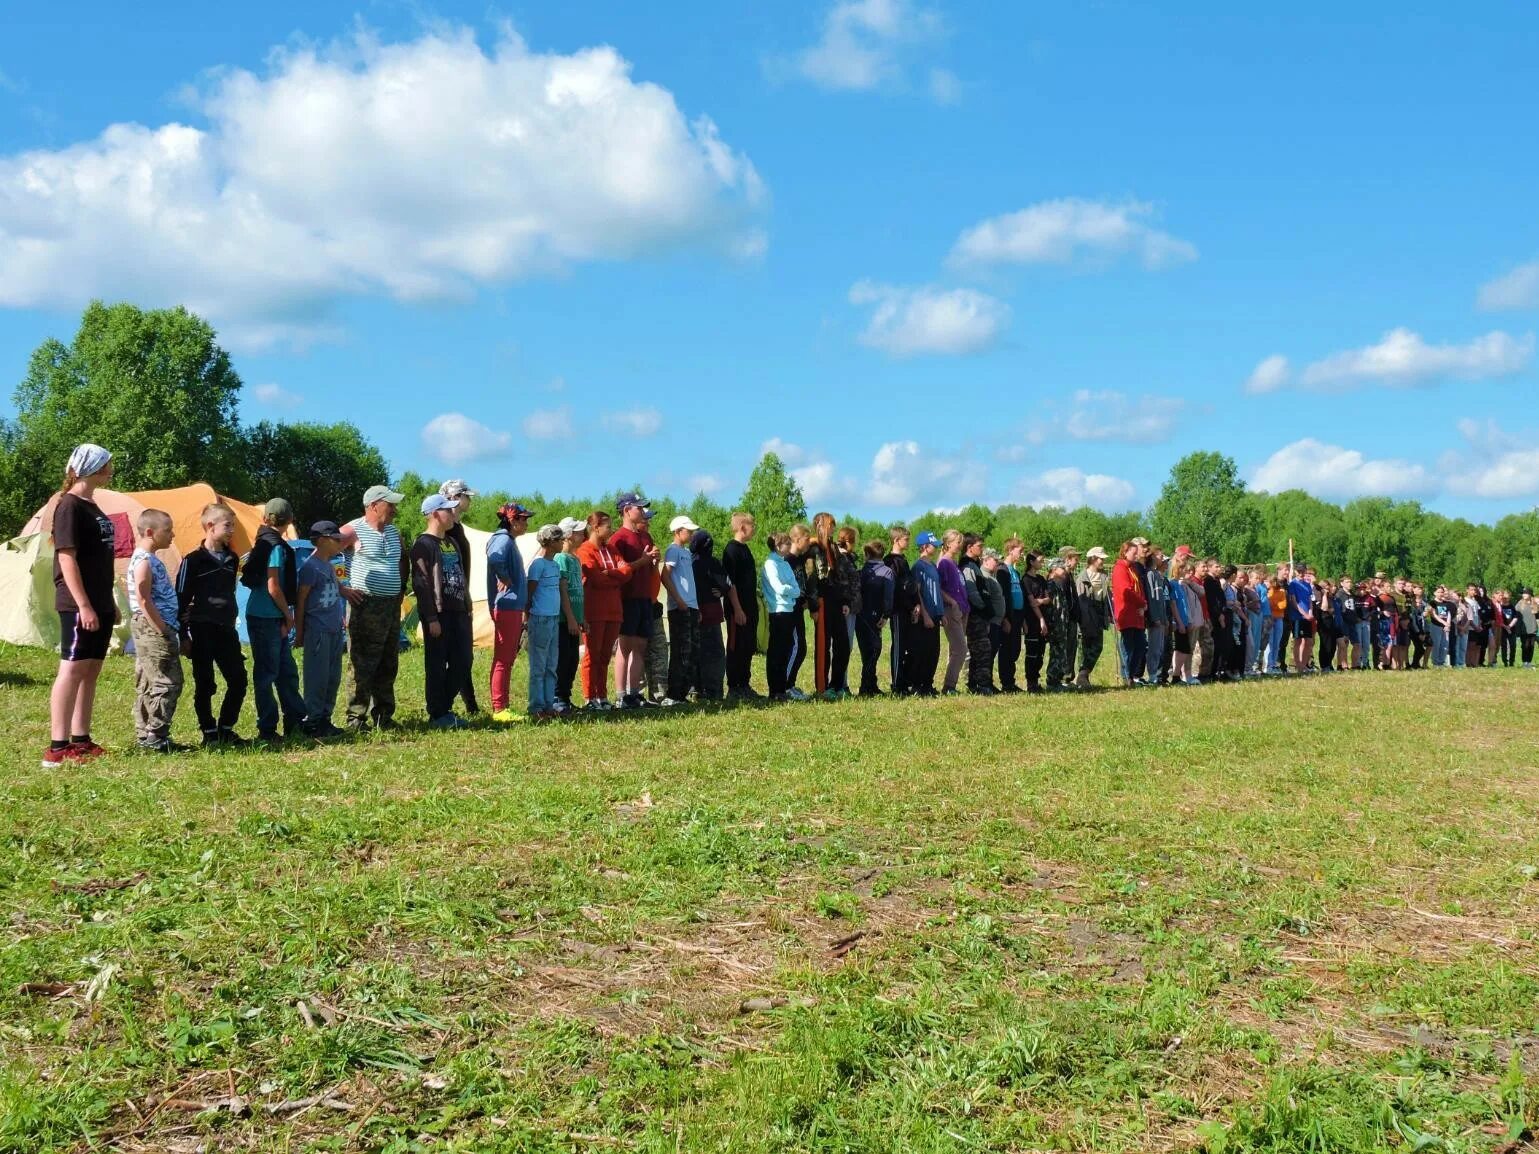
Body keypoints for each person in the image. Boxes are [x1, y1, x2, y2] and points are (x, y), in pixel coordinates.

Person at [44, 445, 119, 767]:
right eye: (107, 464)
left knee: (91, 670)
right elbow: (66, 558)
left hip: (99, 601)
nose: (111, 468)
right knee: (72, 669)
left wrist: (108, 602)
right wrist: (84, 605)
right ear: (94, 467)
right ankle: (57, 747)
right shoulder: (69, 506)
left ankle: (81, 739)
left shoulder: (93, 505)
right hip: (77, 604)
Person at [177, 502, 249, 747]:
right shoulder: (193, 560)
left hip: (226, 629)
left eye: (234, 526)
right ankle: (208, 732)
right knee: (205, 683)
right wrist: (183, 635)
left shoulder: (232, 558)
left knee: (238, 680)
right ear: (210, 526)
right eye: (228, 525)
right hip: (202, 628)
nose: (232, 531)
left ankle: (226, 729)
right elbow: (181, 598)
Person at [339, 485, 408, 732]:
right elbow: (322, 555)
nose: (394, 510)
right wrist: (342, 588)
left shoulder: (393, 532)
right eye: (390, 504)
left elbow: (401, 560)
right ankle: (356, 719)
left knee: (388, 662)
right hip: (365, 605)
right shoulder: (352, 530)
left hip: (390, 606)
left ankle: (384, 716)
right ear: (373, 505)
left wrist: (400, 589)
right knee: (362, 663)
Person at [244, 498, 306, 742]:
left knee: (284, 670)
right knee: (269, 673)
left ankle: (294, 721)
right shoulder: (276, 547)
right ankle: (268, 729)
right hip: (266, 616)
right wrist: (288, 616)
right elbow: (273, 586)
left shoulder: (261, 540)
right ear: (289, 520)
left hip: (262, 614)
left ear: (264, 518)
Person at [411, 493, 471, 729]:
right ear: (435, 514)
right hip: (439, 613)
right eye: (448, 510)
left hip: (458, 610)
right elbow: (421, 584)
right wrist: (431, 617)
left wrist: (467, 604)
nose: (453, 514)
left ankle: (443, 706)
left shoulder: (451, 542)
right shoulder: (422, 545)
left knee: (464, 660)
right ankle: (438, 713)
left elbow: (461, 575)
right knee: (436, 664)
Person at [127, 509, 185, 752]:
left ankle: (146, 733)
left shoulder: (146, 558)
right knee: (168, 681)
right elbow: (143, 596)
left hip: (149, 625)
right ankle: (156, 734)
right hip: (153, 627)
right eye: (168, 530)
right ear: (150, 532)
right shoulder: (144, 561)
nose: (172, 535)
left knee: (148, 679)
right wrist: (162, 628)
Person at [575, 511, 631, 713]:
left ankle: (602, 695)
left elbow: (627, 572)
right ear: (596, 528)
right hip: (594, 611)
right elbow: (595, 578)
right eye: (608, 526)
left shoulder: (612, 549)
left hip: (614, 611)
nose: (611, 530)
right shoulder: (585, 550)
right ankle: (590, 696)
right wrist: (614, 577)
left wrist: (612, 574)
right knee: (593, 654)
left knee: (606, 655)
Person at [295, 521, 348, 738]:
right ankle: (313, 720)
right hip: (318, 631)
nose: (339, 542)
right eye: (335, 539)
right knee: (317, 677)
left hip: (334, 629)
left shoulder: (328, 565)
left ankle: (325, 718)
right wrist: (299, 632)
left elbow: (335, 594)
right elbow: (301, 602)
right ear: (322, 540)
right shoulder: (310, 566)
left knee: (332, 677)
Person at [609, 493, 660, 709]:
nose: (642, 511)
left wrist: (653, 560)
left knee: (640, 645)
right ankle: (621, 694)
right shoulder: (618, 538)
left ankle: (634, 693)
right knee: (625, 645)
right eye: (638, 507)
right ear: (627, 510)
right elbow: (619, 571)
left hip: (644, 596)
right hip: (627, 597)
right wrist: (643, 561)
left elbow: (647, 566)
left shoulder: (641, 535)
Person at [485, 501, 532, 721]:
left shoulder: (507, 540)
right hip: (507, 606)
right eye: (523, 519)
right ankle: (500, 707)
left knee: (506, 658)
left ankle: (502, 704)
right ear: (512, 521)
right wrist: (504, 577)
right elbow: (495, 558)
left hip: (511, 606)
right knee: (503, 658)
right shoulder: (502, 539)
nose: (526, 523)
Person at [438, 480, 480, 714]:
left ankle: (469, 703)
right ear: (454, 497)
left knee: (464, 655)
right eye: (466, 495)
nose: (469, 500)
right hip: (447, 602)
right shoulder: (445, 529)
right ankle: (444, 705)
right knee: (455, 655)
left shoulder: (459, 528)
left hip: (461, 597)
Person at [810, 512, 856, 699]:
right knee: (823, 646)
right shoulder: (813, 549)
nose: (833, 528)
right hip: (821, 602)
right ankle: (822, 688)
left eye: (834, 525)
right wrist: (813, 606)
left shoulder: (833, 548)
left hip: (836, 601)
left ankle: (836, 685)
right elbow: (812, 577)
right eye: (830, 525)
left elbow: (840, 574)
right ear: (820, 525)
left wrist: (845, 601)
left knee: (843, 645)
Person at [525, 525, 567, 720]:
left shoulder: (555, 565)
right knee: (539, 665)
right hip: (540, 618)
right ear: (550, 543)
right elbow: (530, 591)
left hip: (553, 618)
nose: (563, 543)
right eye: (559, 540)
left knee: (551, 664)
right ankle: (536, 706)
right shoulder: (538, 565)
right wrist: (526, 615)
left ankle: (549, 704)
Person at [691, 528, 737, 701]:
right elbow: (727, 583)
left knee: (697, 652)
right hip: (710, 612)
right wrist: (722, 591)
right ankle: (714, 690)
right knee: (715, 653)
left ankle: (696, 688)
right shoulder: (711, 563)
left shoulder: (690, 562)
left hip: (693, 611)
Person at [662, 514, 702, 706]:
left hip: (691, 606)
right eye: (689, 530)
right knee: (681, 650)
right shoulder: (673, 551)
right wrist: (678, 600)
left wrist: (695, 606)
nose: (692, 533)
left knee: (693, 650)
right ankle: (673, 694)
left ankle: (682, 692)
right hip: (680, 607)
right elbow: (665, 576)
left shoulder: (685, 552)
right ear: (678, 532)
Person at [762, 532, 803, 701]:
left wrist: (790, 590)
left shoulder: (785, 564)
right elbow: (778, 587)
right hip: (777, 611)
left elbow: (797, 589)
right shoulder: (770, 564)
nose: (789, 545)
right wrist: (790, 591)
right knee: (776, 652)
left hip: (789, 610)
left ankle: (781, 688)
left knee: (786, 650)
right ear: (778, 546)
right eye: (787, 543)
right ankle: (774, 690)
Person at [722, 513, 759, 698]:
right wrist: (737, 609)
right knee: (736, 646)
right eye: (752, 525)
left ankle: (744, 684)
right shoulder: (731, 550)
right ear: (743, 526)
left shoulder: (746, 549)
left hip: (750, 606)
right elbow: (731, 583)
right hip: (738, 608)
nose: (754, 529)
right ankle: (734, 686)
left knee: (748, 646)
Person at [553, 517, 588, 712]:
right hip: (563, 620)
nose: (582, 535)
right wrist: (571, 618)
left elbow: (578, 591)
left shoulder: (575, 559)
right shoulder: (561, 559)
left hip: (574, 619)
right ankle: (557, 697)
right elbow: (563, 590)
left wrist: (582, 618)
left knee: (573, 659)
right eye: (578, 532)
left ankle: (565, 697)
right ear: (567, 535)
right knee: (563, 658)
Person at [907, 532, 943, 696]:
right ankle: (918, 685)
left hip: (935, 614)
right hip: (925, 616)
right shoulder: (918, 567)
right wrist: (925, 614)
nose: (935, 548)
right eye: (932, 545)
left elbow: (937, 591)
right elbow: (918, 593)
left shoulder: (933, 566)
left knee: (933, 652)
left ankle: (928, 684)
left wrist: (941, 614)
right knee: (922, 651)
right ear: (923, 547)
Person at [856, 540, 894, 696]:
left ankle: (870, 685)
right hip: (876, 616)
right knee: (875, 650)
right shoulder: (887, 572)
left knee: (867, 652)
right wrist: (886, 615)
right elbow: (888, 596)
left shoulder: (860, 571)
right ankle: (866, 686)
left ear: (866, 554)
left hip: (859, 616)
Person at [958, 534, 995, 695]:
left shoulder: (974, 564)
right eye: (979, 545)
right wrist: (984, 608)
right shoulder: (967, 566)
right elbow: (972, 592)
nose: (982, 548)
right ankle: (982, 685)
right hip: (975, 616)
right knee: (982, 650)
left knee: (978, 650)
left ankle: (974, 683)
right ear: (969, 547)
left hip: (980, 615)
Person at [1110, 541, 1148, 687]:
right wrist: (1142, 603)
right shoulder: (1120, 569)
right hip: (1126, 613)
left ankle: (1131, 675)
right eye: (1133, 552)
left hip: (1137, 614)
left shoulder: (1133, 568)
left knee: (1140, 645)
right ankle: (1127, 677)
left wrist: (1143, 604)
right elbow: (1126, 591)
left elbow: (1139, 589)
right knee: (1128, 647)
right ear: (1125, 552)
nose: (1136, 555)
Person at [1074, 547, 1110, 689]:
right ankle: (1081, 678)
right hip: (1087, 614)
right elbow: (1081, 601)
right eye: (1101, 558)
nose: (1103, 561)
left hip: (1099, 613)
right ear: (1093, 559)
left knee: (1097, 646)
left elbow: (1106, 596)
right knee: (1084, 647)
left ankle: (1083, 674)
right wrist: (1084, 619)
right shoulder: (1082, 578)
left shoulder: (1104, 576)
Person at [885, 527, 914, 696]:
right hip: (897, 610)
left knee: (906, 646)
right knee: (898, 646)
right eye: (905, 539)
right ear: (896, 540)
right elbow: (895, 588)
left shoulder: (903, 560)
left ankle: (905, 681)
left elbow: (910, 586)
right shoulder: (890, 561)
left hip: (907, 609)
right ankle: (897, 684)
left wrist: (914, 605)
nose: (907, 542)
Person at [1046, 548, 1079, 690]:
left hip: (1063, 623)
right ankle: (1052, 680)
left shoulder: (1059, 584)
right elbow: (1050, 606)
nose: (1064, 570)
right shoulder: (1051, 585)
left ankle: (1057, 680)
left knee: (1061, 652)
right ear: (1053, 569)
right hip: (1055, 624)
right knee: (1056, 652)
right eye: (1061, 567)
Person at [995, 539, 1026, 693]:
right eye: (1019, 551)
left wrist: (1023, 620)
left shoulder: (1015, 571)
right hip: (1008, 616)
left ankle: (1011, 681)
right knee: (1007, 649)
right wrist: (1005, 618)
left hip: (1018, 616)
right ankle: (1006, 683)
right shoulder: (1002, 570)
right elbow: (1002, 596)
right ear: (1010, 550)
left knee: (1015, 649)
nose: (1021, 554)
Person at [1021, 550, 1050, 693]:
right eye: (1040, 560)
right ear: (1031, 562)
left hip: (1042, 621)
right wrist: (1041, 619)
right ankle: (1030, 682)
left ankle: (1037, 680)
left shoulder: (1041, 579)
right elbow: (1032, 603)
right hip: (1032, 621)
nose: (1042, 563)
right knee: (1031, 653)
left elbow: (1048, 598)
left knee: (1040, 652)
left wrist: (1041, 601)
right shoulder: (1025, 580)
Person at [1167, 554, 1194, 685]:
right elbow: (1173, 604)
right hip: (1179, 622)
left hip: (1184, 620)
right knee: (1181, 649)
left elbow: (1184, 605)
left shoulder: (1180, 584)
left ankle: (1177, 675)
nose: (1185, 570)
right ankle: (1176, 675)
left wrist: (1187, 620)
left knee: (1184, 649)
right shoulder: (1172, 584)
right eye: (1182, 568)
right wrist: (1179, 622)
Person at [1286, 564, 1315, 674]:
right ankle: (1298, 666)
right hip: (1297, 616)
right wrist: (1303, 614)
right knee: (1298, 640)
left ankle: (1304, 664)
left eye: (1303, 571)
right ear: (1296, 572)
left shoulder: (1307, 585)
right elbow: (1294, 601)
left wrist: (1310, 612)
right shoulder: (1293, 584)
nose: (1301, 573)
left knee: (1308, 641)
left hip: (1307, 616)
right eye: (1299, 571)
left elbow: (1309, 600)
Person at [1518, 589, 1538, 669]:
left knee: (1531, 646)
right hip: (1524, 628)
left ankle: (1529, 662)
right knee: (1525, 645)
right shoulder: (1520, 603)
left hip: (1533, 628)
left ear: (1530, 595)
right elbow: (1516, 614)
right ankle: (1524, 662)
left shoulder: (1534, 603)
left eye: (1526, 594)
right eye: (1523, 594)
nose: (1524, 595)